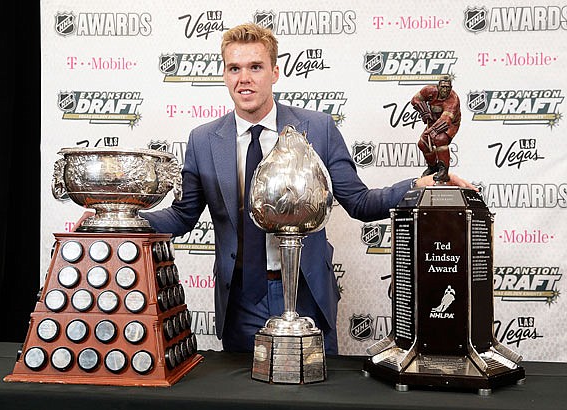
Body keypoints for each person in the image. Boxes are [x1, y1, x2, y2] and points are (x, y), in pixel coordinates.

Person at [141, 23, 476, 355]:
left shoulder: (318, 128)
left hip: (308, 294)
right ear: (225, 74)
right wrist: (118, 219)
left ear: (274, 72)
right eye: (234, 68)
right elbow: (183, 216)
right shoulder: (203, 140)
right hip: (242, 299)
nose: (244, 78)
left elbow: (359, 202)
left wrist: (418, 185)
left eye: (255, 67)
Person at [410, 76, 461, 183]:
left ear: (451, 88)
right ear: (438, 86)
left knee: (440, 139)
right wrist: (424, 111)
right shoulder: (429, 90)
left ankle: (444, 171)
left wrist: (433, 130)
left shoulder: (453, 100)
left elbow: (446, 120)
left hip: (450, 124)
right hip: (434, 120)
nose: (445, 90)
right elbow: (415, 99)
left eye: (448, 87)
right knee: (422, 144)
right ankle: (433, 167)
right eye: (443, 87)